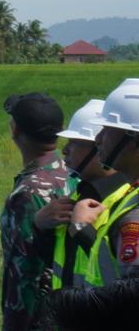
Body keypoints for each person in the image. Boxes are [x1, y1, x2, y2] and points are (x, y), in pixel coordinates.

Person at [0, 93, 69, 331]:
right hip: (71, 319)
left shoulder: (28, 193)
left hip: (39, 329)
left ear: (15, 130)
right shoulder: (72, 175)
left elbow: (24, 270)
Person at [35, 99, 128, 290]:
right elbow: (60, 259)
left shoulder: (126, 203)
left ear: (100, 148)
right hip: (73, 314)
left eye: (75, 143)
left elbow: (123, 278)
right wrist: (40, 226)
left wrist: (82, 229)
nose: (65, 149)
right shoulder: (78, 195)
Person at [73, 78, 139, 285]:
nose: (98, 139)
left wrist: (82, 229)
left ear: (134, 137)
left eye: (108, 130)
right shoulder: (129, 194)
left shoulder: (135, 214)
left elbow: (129, 295)